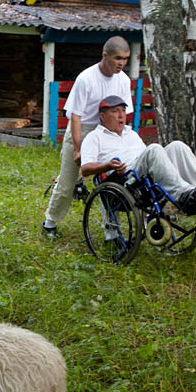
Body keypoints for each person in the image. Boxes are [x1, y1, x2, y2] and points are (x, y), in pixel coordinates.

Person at [79, 95, 196, 211]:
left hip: (144, 175)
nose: (121, 115)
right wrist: (108, 165)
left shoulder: (131, 133)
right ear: (102, 116)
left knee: (176, 146)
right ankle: (183, 194)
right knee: (154, 149)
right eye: (115, 111)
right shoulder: (94, 137)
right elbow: (85, 169)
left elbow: (146, 157)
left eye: (123, 110)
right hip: (124, 180)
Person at [42, 36, 133, 239]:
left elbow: (124, 114)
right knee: (68, 182)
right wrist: (77, 148)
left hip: (106, 131)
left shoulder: (124, 80)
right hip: (82, 129)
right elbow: (75, 116)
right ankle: (50, 222)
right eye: (118, 58)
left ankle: (111, 231)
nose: (121, 63)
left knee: (110, 181)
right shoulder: (87, 78)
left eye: (125, 59)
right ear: (105, 55)